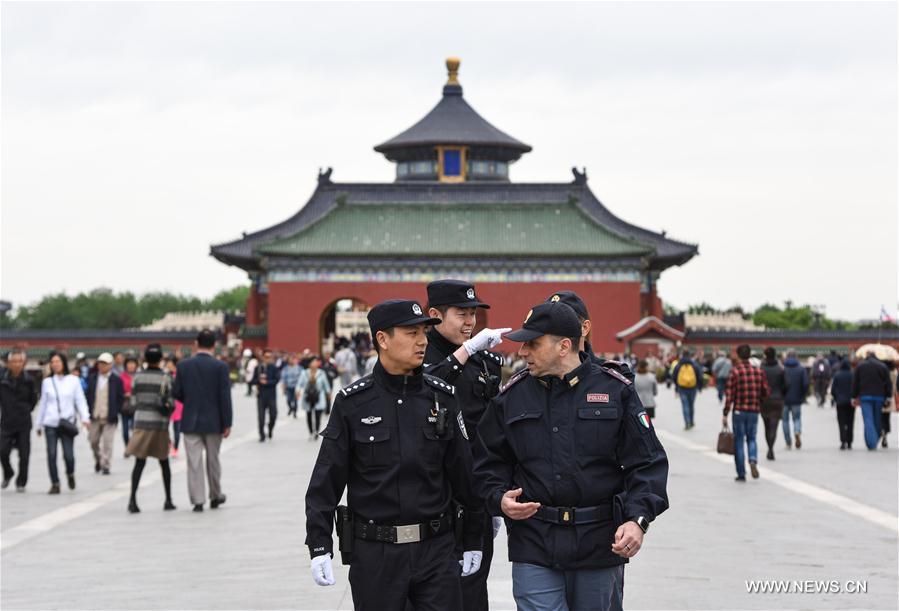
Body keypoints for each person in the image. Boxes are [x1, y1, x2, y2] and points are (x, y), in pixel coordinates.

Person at [473, 301, 668, 611]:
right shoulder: (510, 398)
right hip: (534, 540)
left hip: (599, 542)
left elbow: (647, 462)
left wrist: (637, 520)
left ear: (564, 345)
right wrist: (498, 499)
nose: (522, 352)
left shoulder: (615, 391)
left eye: (532, 344)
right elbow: (485, 464)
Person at [304, 299, 485, 610]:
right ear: (382, 339)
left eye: (424, 333)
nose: (423, 341)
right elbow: (326, 479)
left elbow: (464, 476)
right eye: (411, 333)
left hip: (436, 550)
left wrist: (473, 538)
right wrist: (319, 544)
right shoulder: (353, 404)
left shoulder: (442, 397)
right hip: (376, 555)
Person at [423, 279, 509, 611]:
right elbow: (427, 389)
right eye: (462, 314)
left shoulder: (485, 363)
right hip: (432, 497)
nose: (470, 322)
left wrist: (496, 491)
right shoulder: (419, 354)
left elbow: (494, 431)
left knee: (473, 592)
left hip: (474, 497)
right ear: (435, 314)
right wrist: (467, 351)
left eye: (473, 313)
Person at [172, 329, 233, 512]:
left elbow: (176, 393)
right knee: (213, 460)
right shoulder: (221, 367)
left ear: (196, 344)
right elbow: (225, 397)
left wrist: (190, 401)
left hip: (190, 420)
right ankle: (215, 495)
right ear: (214, 345)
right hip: (214, 422)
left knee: (194, 462)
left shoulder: (183, 366)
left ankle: (198, 500)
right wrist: (227, 423)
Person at [125, 344, 176, 513]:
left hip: (141, 423)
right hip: (160, 425)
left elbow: (132, 402)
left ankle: (132, 499)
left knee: (139, 462)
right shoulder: (165, 378)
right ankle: (168, 499)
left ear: (145, 359)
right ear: (161, 359)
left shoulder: (137, 378)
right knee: (164, 462)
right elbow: (171, 402)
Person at [544, 291, 634, 379]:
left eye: (561, 323)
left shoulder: (613, 378)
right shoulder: (536, 377)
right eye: (547, 324)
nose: (552, 331)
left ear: (584, 328)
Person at [35, 352, 91, 493]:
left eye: (58, 361)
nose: (55, 364)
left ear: (64, 363)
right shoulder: (47, 382)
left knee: (69, 456)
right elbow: (43, 404)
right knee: (51, 454)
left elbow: (80, 400)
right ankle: (55, 483)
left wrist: (85, 417)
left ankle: (70, 473)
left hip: (67, 422)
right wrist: (38, 423)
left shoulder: (73, 380)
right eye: (52, 362)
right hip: (51, 423)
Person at [721, 344, 770, 481]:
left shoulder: (735, 372)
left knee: (739, 441)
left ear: (738, 355)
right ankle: (753, 459)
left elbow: (729, 395)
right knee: (752, 438)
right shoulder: (759, 372)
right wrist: (758, 399)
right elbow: (766, 392)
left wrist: (725, 413)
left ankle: (741, 473)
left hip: (738, 411)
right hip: (754, 410)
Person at [1, 348, 37, 492]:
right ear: (8, 363)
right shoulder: (2, 380)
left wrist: (25, 410)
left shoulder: (29, 381)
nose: (16, 364)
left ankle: (21, 481)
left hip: (23, 422)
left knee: (24, 454)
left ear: (24, 363)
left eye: (19, 361)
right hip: (7, 422)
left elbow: (33, 400)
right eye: (13, 361)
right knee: (2, 451)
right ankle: (8, 472)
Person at [86, 352, 125, 475]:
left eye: (105, 363)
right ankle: (98, 459)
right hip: (95, 415)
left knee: (108, 442)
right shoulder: (92, 378)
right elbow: (87, 395)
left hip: (110, 416)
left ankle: (106, 464)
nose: (102, 366)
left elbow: (120, 397)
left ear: (110, 365)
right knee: (93, 441)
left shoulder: (116, 380)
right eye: (100, 363)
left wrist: (116, 410)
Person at [851, 351, 891, 450]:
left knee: (868, 419)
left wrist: (853, 396)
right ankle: (874, 440)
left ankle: (871, 442)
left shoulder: (860, 367)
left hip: (865, 396)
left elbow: (856, 382)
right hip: (879, 396)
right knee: (877, 419)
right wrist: (888, 396)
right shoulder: (883, 366)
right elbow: (888, 383)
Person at [760, 347, 788, 460]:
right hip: (777, 399)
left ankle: (769, 446)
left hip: (764, 400)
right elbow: (786, 384)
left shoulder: (761, 369)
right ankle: (771, 448)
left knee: (766, 426)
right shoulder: (780, 369)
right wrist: (782, 394)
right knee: (774, 426)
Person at [298, 356, 331, 440]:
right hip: (307, 396)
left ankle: (316, 431)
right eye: (313, 362)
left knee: (317, 414)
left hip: (318, 396)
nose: (315, 364)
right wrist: (297, 391)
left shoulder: (321, 373)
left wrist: (328, 393)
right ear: (309, 364)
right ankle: (310, 432)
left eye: (316, 362)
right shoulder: (304, 373)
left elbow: (326, 385)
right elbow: (299, 384)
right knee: (308, 414)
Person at [782, 350, 808, 450]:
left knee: (785, 421)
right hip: (797, 398)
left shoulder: (783, 369)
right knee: (797, 418)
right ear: (796, 357)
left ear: (787, 357)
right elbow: (805, 384)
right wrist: (802, 394)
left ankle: (788, 442)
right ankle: (797, 431)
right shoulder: (801, 369)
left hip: (784, 399)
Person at [252, 349, 281, 442]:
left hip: (271, 395)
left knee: (274, 414)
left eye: (269, 357)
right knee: (261, 417)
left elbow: (277, 380)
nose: (268, 359)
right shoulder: (258, 368)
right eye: (266, 357)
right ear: (263, 357)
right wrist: (259, 381)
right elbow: (253, 380)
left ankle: (270, 427)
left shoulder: (274, 368)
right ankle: (261, 435)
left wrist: (267, 382)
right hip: (261, 395)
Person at [672, 350, 704, 429]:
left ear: (682, 355)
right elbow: (700, 376)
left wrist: (676, 388)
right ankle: (692, 421)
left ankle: (687, 422)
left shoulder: (678, 365)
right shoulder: (694, 364)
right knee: (691, 405)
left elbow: (674, 377)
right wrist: (700, 387)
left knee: (685, 405)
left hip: (682, 388)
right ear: (689, 355)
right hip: (693, 388)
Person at [830, 359, 855, 449]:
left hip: (840, 402)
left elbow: (833, 389)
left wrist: (836, 397)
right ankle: (849, 441)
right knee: (850, 422)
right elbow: (856, 387)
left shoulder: (837, 375)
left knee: (841, 422)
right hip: (851, 402)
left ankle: (843, 441)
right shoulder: (852, 374)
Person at [166, 356, 184, 458]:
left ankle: (175, 447)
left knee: (176, 428)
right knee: (166, 428)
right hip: (170, 404)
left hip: (177, 404)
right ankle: (170, 445)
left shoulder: (178, 375)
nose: (167, 364)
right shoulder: (167, 375)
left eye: (168, 362)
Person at [119, 356, 139, 447]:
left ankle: (133, 446)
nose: (131, 366)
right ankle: (127, 446)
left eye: (133, 363)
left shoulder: (139, 376)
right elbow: (118, 390)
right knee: (125, 430)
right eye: (129, 363)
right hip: (125, 405)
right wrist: (124, 394)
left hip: (137, 406)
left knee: (136, 429)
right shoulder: (121, 376)